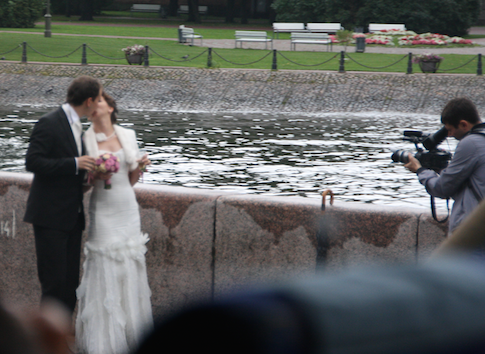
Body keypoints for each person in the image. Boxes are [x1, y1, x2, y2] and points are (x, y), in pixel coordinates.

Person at [75, 92, 153, 354]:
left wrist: (140, 166)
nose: (93, 106)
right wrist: (95, 175)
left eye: (98, 101)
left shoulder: (127, 134)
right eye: (91, 103)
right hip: (103, 208)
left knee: (128, 266)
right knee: (104, 264)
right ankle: (103, 343)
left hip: (127, 206)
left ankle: (131, 338)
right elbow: (84, 187)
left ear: (109, 107)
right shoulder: (86, 138)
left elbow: (129, 180)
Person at [24, 76, 100, 316]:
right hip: (49, 217)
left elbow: (74, 171)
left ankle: (62, 340)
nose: (99, 105)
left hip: (72, 217)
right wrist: (75, 164)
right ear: (88, 101)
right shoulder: (49, 122)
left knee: (69, 287)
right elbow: (33, 162)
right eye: (98, 100)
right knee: (54, 285)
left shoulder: (80, 126)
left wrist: (89, 176)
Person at [404, 97, 485, 233]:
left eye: (450, 130)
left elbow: (442, 188)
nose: (450, 135)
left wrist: (420, 170)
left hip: (472, 234)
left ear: (464, 125)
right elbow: (473, 185)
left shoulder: (470, 143)